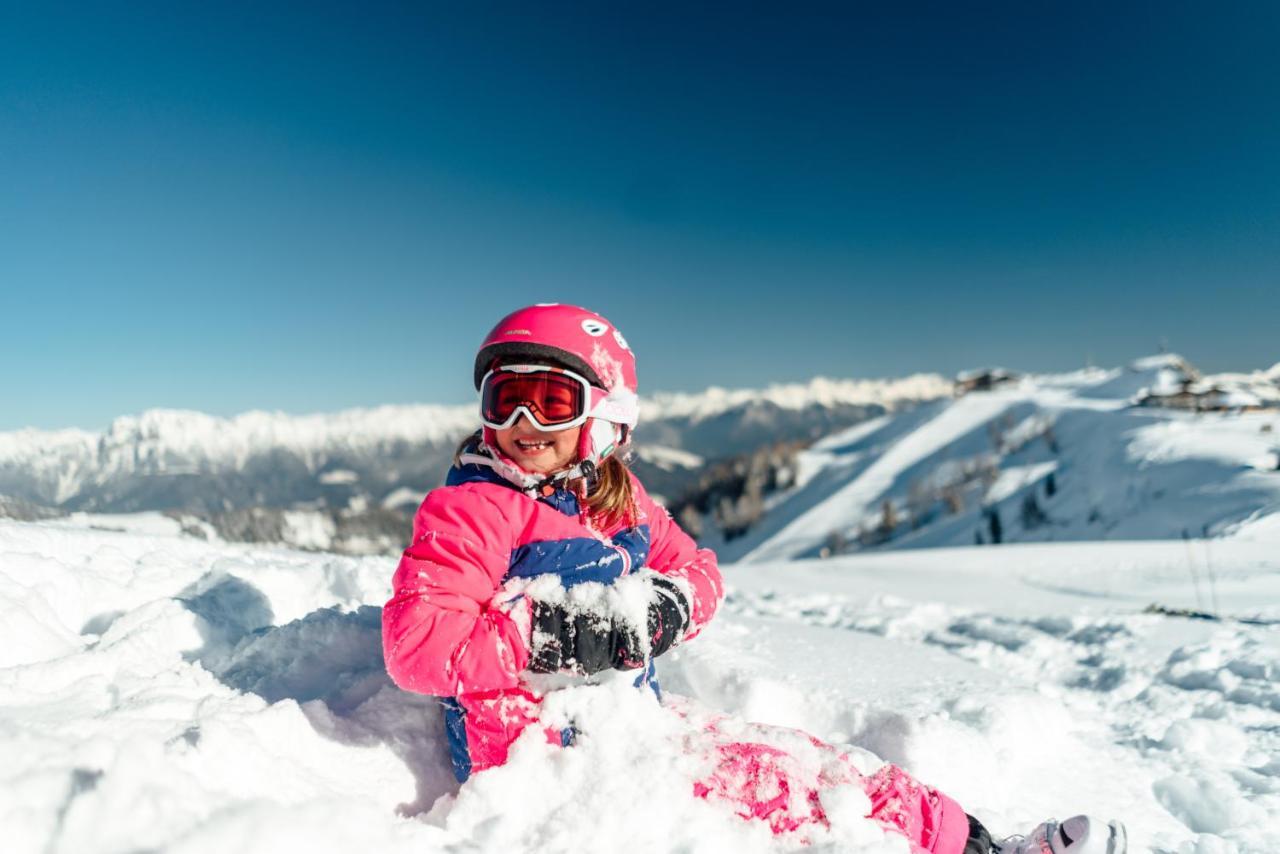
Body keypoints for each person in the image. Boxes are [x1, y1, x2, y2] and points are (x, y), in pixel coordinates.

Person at [381, 304, 1126, 854]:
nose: (520, 419)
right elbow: (417, 647)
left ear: (607, 419)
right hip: (541, 763)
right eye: (501, 397)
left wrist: (667, 609)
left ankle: (980, 845)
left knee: (813, 769)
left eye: (550, 400)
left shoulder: (619, 502)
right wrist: (569, 632)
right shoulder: (473, 507)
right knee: (776, 809)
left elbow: (699, 571)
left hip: (632, 730)